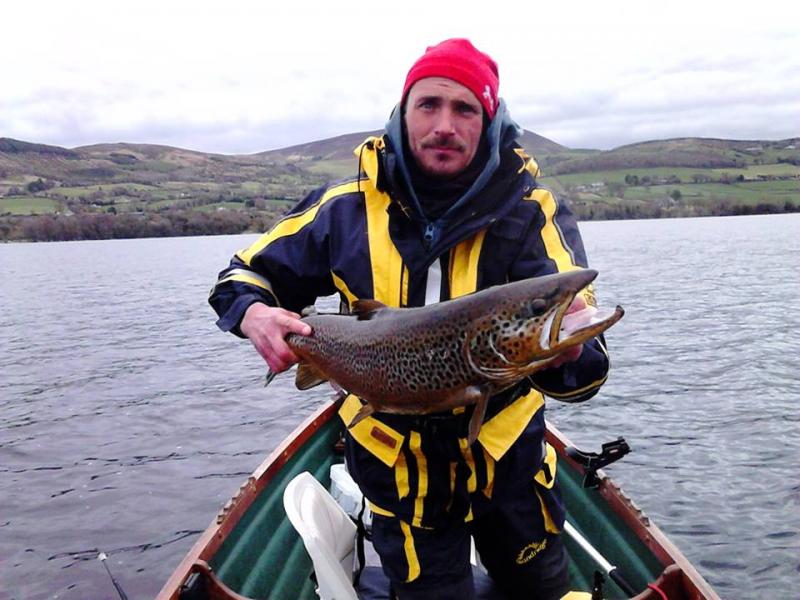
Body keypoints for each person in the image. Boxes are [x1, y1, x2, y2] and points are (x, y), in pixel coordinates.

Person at [209, 38, 611, 600]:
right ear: (403, 113)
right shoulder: (342, 210)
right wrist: (254, 313)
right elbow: (239, 276)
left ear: (489, 123)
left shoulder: (532, 215)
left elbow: (586, 373)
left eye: (465, 108)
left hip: (511, 471)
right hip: (399, 478)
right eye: (429, 104)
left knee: (542, 592)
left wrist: (569, 356)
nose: (445, 125)